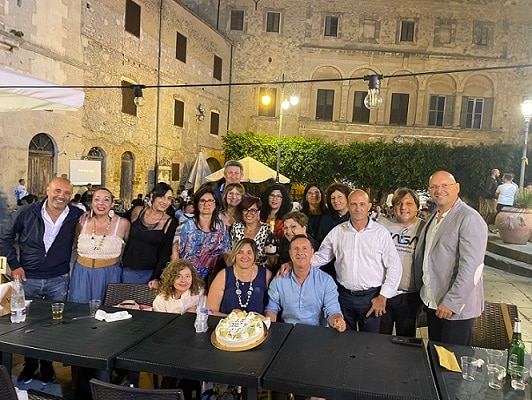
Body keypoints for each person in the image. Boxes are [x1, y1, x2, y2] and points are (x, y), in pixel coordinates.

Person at [0, 177, 83, 384]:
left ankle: (47, 364)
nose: (61, 196)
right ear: (47, 190)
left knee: (54, 324)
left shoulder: (76, 215)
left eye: (66, 193)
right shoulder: (26, 212)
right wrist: (14, 264)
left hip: (59, 278)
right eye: (57, 191)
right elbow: (4, 238)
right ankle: (30, 364)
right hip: (28, 278)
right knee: (27, 323)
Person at [310, 189, 402, 333]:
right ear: (348, 206)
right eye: (353, 204)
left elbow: (394, 267)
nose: (358, 208)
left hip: (372, 298)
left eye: (362, 204)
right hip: (344, 297)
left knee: (369, 341)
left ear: (369, 206)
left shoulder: (381, 233)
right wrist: (296, 264)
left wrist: (383, 297)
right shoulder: (337, 232)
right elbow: (321, 257)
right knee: (344, 339)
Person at [414, 171, 487, 345]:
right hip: (433, 302)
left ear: (457, 188)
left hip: (454, 309)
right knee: (435, 354)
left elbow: (472, 267)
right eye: (434, 187)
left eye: (445, 185)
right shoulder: (434, 216)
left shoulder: (469, 218)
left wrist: (452, 302)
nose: (439, 190)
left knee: (451, 359)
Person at [265, 235, 346, 332]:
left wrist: (337, 321)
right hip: (288, 332)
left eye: (304, 248)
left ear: (312, 252)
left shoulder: (326, 281)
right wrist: (269, 329)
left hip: (318, 333)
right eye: (296, 249)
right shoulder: (279, 280)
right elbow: (272, 308)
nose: (300, 252)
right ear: (290, 253)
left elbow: (333, 310)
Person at [68, 188, 131, 303]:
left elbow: (132, 248)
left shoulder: (123, 224)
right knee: (79, 308)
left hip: (110, 274)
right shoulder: (82, 222)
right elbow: (73, 243)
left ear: (112, 204)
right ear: (91, 203)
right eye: (97, 199)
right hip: (82, 274)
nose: (101, 203)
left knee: (107, 308)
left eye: (106, 200)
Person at [377, 188, 424, 337]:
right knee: (381, 338)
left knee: (406, 339)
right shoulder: (382, 226)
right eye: (399, 203)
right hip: (384, 293)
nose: (403, 207)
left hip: (410, 295)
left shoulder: (425, 228)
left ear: (417, 206)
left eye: (409, 203)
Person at [121, 182, 178, 288]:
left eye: (169, 198)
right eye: (162, 197)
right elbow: (118, 222)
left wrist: (156, 277)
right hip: (127, 269)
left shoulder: (170, 222)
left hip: (149, 273)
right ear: (152, 196)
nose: (165, 201)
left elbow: (165, 252)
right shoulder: (138, 211)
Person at [171, 186, 231, 286]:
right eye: (202, 201)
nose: (206, 204)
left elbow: (227, 252)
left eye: (210, 201)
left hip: (209, 279)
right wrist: (179, 277)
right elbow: (175, 253)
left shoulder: (221, 227)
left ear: (215, 204)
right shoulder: (186, 226)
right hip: (185, 278)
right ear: (197, 204)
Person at [207, 238, 272, 315]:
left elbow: (273, 309)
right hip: (227, 322)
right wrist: (231, 317)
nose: (245, 256)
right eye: (240, 252)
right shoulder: (223, 275)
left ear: (255, 255)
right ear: (235, 255)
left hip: (258, 322)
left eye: (249, 252)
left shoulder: (266, 275)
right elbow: (210, 311)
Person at [230, 196, 271, 269]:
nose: (248, 213)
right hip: (239, 269)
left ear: (258, 212)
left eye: (253, 210)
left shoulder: (267, 229)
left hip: (261, 270)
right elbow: (231, 251)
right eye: (245, 210)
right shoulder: (236, 227)